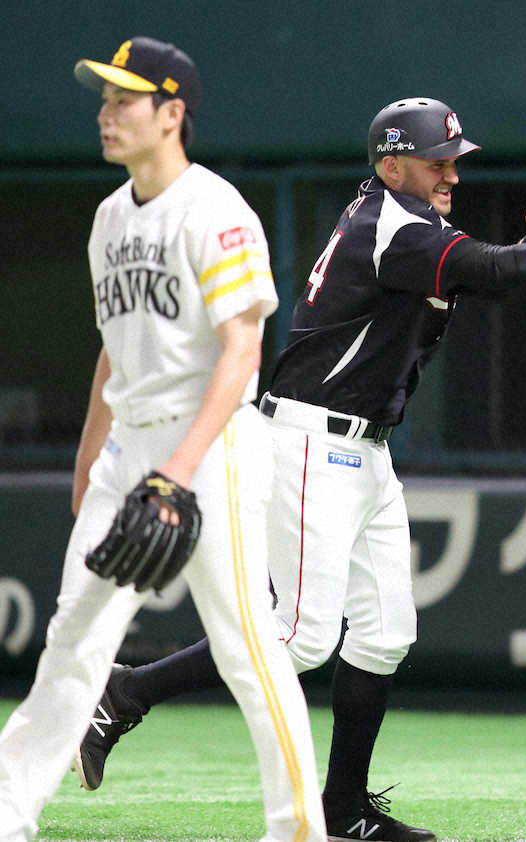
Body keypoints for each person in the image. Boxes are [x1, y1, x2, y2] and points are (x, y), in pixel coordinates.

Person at [71, 96, 526, 842]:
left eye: (455, 162)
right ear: (391, 161)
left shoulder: (406, 225)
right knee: (303, 636)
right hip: (313, 440)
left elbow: (455, 293)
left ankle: (343, 813)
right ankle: (126, 692)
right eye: (438, 162)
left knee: (384, 634)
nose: (451, 175)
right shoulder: (390, 224)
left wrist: (521, 243)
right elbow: (494, 273)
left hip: (362, 447)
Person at [0, 37, 328, 842]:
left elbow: (242, 350)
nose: (108, 114)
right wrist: (93, 462)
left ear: (172, 112)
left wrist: (176, 475)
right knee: (73, 638)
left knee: (246, 641)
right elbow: (115, 347)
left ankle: (298, 831)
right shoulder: (110, 217)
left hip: (209, 448)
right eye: (105, 100)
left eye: (125, 100)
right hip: (130, 451)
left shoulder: (215, 211)